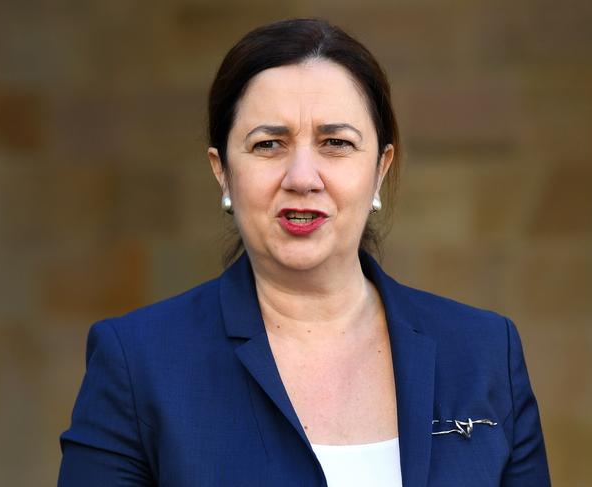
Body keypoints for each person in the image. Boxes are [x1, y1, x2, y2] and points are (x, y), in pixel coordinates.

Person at [58, 18, 550, 486]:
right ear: (222, 171)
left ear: (380, 169)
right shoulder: (138, 362)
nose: (301, 178)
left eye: (336, 143)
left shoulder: (485, 353)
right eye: (269, 145)